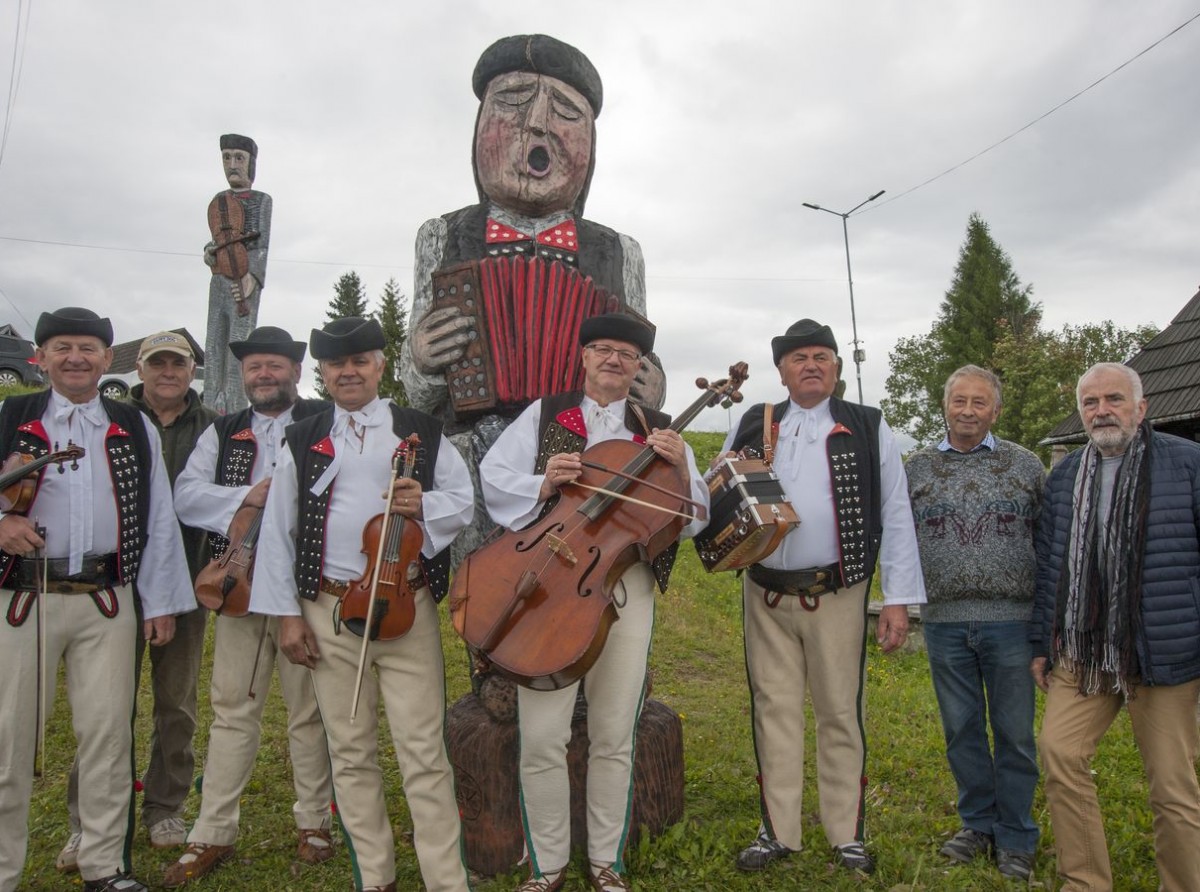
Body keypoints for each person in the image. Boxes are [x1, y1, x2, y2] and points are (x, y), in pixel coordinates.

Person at [401, 33, 665, 566]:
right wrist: (422, 360)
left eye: (566, 111)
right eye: (514, 101)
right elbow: (416, 392)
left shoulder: (619, 251)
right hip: (473, 449)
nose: (539, 123)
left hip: (583, 451)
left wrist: (652, 386)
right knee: (479, 586)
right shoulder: (442, 234)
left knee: (572, 578)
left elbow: (639, 356)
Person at [477, 313, 708, 892]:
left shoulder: (659, 429)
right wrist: (542, 482)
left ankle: (606, 862)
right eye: (602, 349)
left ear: (639, 368)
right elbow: (493, 475)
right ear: (583, 357)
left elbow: (697, 516)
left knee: (614, 731)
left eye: (626, 354)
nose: (613, 360)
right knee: (542, 734)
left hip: (625, 587)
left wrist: (681, 466)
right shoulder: (547, 414)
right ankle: (547, 864)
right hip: (551, 584)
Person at [250, 317, 473, 892]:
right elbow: (278, 532)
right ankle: (375, 877)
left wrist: (423, 504)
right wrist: (287, 616)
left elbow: (462, 501)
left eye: (360, 361)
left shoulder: (420, 430)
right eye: (336, 364)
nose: (348, 372)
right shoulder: (302, 436)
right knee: (349, 752)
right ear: (322, 373)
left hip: (406, 608)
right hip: (327, 609)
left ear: (380, 365)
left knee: (423, 750)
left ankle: (446, 881)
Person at [0, 308, 195, 892]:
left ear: (108, 359)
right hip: (23, 599)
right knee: (9, 740)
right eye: (62, 347)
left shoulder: (131, 425)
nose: (76, 358)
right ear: (40, 357)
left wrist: (159, 602)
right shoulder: (11, 417)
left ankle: (105, 867)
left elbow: (159, 519)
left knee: (108, 736)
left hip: (107, 600)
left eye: (88, 348)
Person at [721, 318, 925, 876]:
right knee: (773, 710)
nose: (811, 365)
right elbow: (721, 492)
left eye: (821, 357)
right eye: (799, 358)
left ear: (836, 368)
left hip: (837, 591)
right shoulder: (754, 421)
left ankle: (846, 833)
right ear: (782, 371)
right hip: (765, 594)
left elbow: (896, 513)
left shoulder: (867, 424)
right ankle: (778, 831)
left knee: (839, 710)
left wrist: (898, 598)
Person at [163, 326, 334, 886]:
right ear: (244, 375)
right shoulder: (224, 430)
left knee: (309, 710)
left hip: (306, 587)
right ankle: (213, 829)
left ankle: (315, 822)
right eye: (254, 366)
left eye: (275, 365)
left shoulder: (325, 421)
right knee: (233, 708)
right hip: (239, 584)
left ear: (296, 372)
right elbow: (187, 494)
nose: (264, 374)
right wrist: (247, 495)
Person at [1031, 362, 1200, 892]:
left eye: (1114, 399)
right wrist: (1041, 643)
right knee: (1060, 753)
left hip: (1164, 650)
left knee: (1172, 785)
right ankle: (1085, 882)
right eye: (1091, 402)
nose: (1102, 410)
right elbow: (1050, 566)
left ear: (1141, 408)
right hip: (1084, 649)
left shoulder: (1188, 464)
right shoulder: (1065, 476)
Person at [905, 365, 1042, 881]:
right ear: (945, 406)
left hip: (1013, 623)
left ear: (995, 411)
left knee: (1014, 733)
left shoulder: (1026, 466)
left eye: (978, 402)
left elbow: (1049, 539)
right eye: (958, 401)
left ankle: (1017, 836)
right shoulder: (916, 469)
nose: (967, 411)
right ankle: (977, 825)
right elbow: (899, 540)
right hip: (943, 622)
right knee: (961, 729)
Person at [203, 133, 272, 414]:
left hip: (244, 281)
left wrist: (252, 277)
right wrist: (210, 253)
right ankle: (211, 405)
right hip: (218, 279)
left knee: (238, 346)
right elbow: (215, 239)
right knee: (213, 344)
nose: (232, 165)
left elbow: (262, 245)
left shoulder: (261, 200)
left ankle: (234, 408)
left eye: (239, 158)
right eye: (226, 157)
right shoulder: (218, 201)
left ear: (251, 163)